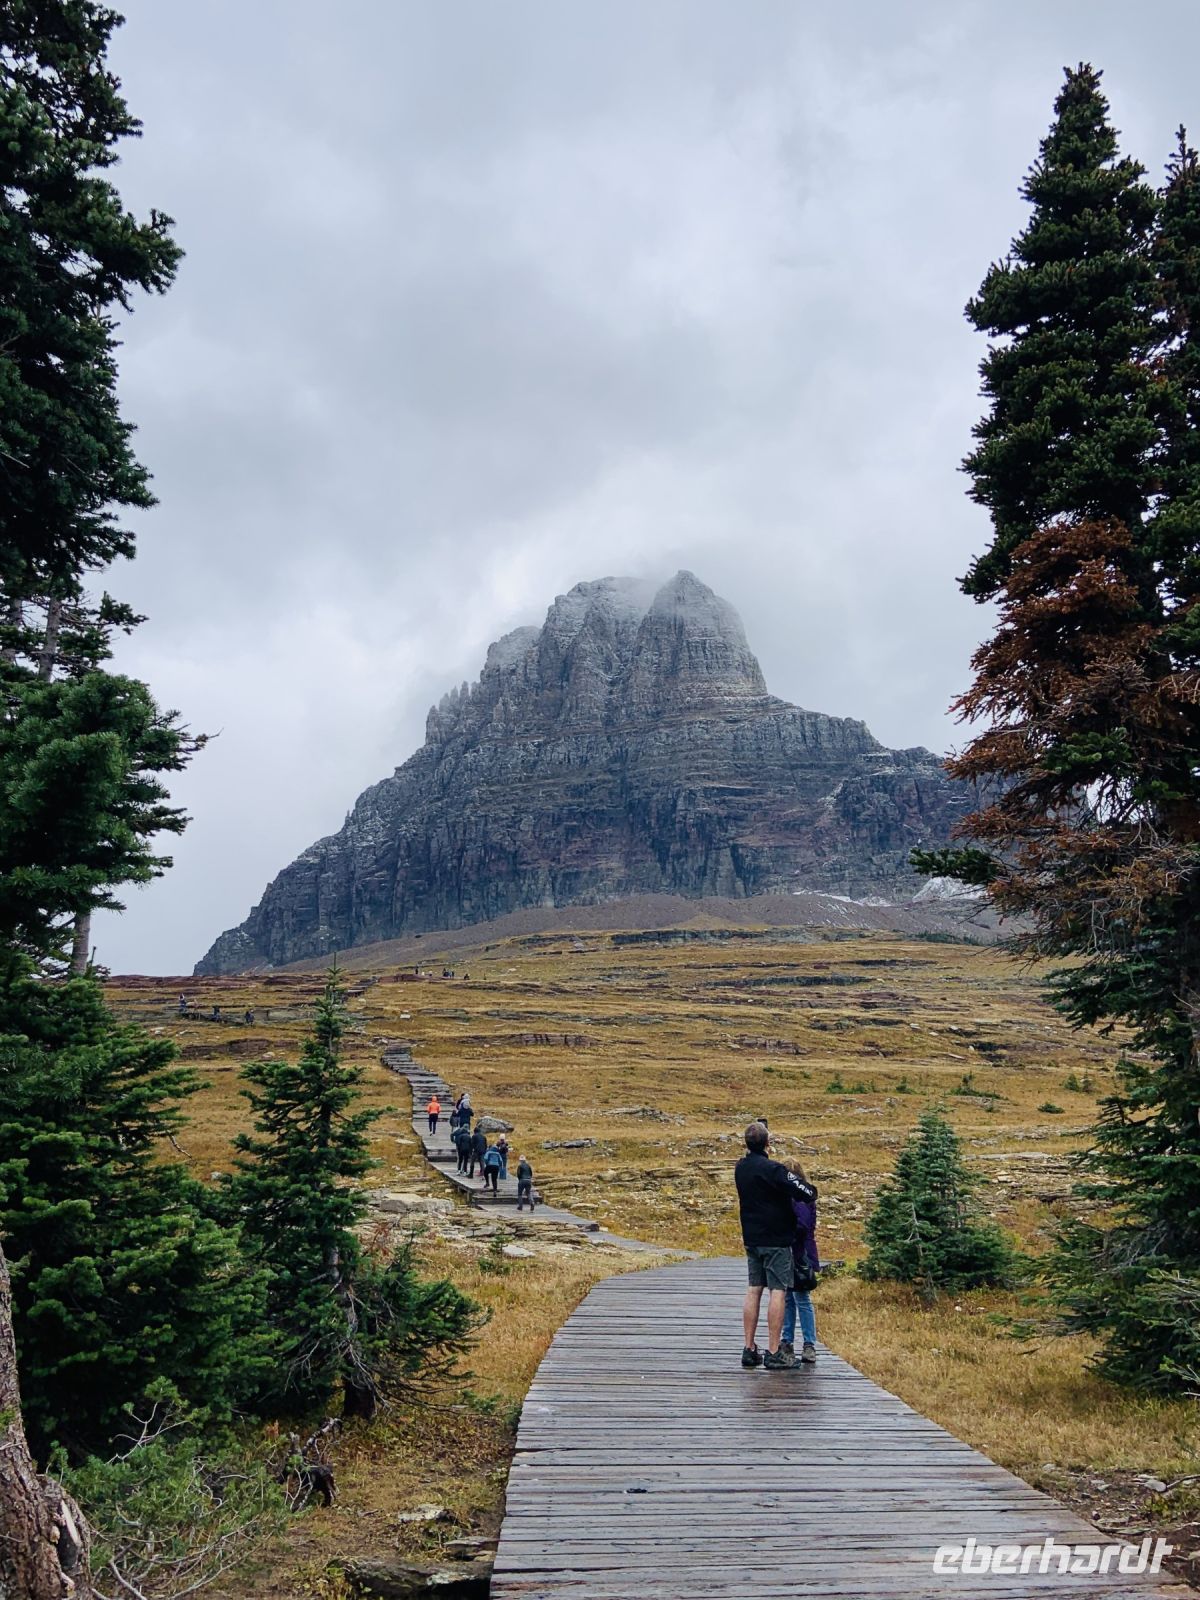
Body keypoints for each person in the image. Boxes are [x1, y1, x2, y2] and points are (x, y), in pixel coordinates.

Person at [734, 1121, 816, 1371]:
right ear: (768, 1143)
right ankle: (773, 1351)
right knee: (778, 1291)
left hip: (752, 1238)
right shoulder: (774, 1170)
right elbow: (807, 1191)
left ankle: (749, 1348)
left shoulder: (740, 1168)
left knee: (753, 1289)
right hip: (777, 1240)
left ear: (746, 1143)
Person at [781, 1159, 820, 1366]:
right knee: (790, 1297)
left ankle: (807, 1343)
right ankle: (789, 1340)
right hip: (799, 1252)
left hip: (797, 1253)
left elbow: (803, 1227)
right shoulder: (806, 1195)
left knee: (799, 1298)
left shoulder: (798, 1198)